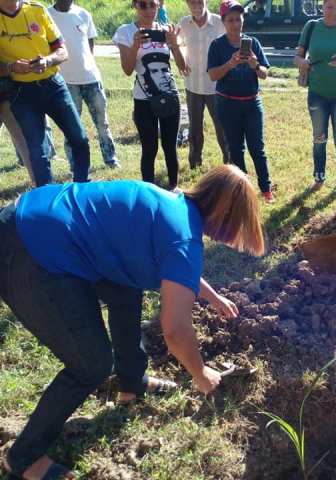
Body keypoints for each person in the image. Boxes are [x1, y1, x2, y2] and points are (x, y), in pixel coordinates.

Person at [0, 164, 265, 480]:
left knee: (126, 288)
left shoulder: (171, 204)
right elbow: (176, 330)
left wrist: (212, 297)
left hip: (36, 216)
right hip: (29, 249)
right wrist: (201, 374)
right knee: (91, 364)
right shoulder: (183, 236)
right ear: (226, 216)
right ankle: (23, 458)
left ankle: (132, 382)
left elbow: (178, 267)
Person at [0, 0, 90, 187]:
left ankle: (81, 187)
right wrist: (11, 67)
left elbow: (62, 51)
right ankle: (46, 198)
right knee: (37, 150)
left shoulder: (37, 9)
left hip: (53, 86)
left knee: (79, 138)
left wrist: (48, 61)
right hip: (21, 92)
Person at [114, 0, 187, 191]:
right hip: (144, 100)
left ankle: (174, 187)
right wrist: (135, 46)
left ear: (159, 6)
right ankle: (149, 192)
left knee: (170, 147)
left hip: (169, 96)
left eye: (152, 5)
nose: (148, 10)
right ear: (134, 6)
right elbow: (128, 70)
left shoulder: (166, 29)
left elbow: (183, 67)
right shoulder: (126, 31)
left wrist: (174, 44)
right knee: (149, 149)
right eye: (143, 5)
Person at [208, 0, 275, 203]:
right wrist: (230, 63)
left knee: (257, 148)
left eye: (239, 19)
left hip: (252, 103)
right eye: (231, 20)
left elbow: (264, 74)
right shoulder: (217, 45)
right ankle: (243, 191)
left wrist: (255, 65)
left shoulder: (253, 43)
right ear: (224, 22)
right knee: (235, 149)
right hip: (227, 104)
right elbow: (212, 75)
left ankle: (266, 189)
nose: (236, 24)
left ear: (243, 20)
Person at [294, 0, 336, 195]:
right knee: (319, 138)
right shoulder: (312, 26)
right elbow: (296, 57)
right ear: (323, 6)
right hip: (317, 94)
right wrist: (303, 63)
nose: (333, 12)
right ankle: (319, 178)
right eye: (329, 7)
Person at [49, 0, 121, 169]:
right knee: (71, 127)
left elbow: (89, 46)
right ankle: (75, 165)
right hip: (65, 82)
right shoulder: (47, 15)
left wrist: (88, 66)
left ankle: (110, 159)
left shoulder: (83, 14)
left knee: (102, 123)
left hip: (91, 79)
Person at [179, 0, 229, 169]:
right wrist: (181, 60)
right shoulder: (184, 23)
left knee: (222, 127)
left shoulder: (219, 22)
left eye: (200, 2)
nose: (196, 6)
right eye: (192, 3)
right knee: (194, 128)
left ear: (205, 2)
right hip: (192, 85)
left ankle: (229, 163)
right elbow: (177, 44)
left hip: (216, 86)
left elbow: (229, 45)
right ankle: (195, 163)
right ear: (187, 4)